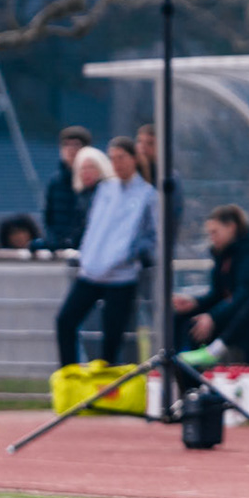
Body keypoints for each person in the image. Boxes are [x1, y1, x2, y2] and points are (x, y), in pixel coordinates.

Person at [53, 144, 154, 367]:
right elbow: (92, 226)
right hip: (91, 270)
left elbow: (151, 234)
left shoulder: (147, 194)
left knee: (113, 336)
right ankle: (69, 373)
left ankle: (107, 386)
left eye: (121, 158)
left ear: (134, 159)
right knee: (65, 320)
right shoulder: (104, 189)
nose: (116, 163)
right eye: (113, 159)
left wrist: (130, 254)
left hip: (121, 275)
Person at [175, 205, 249, 368]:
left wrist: (213, 317)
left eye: (215, 232)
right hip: (230, 312)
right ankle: (178, 368)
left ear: (231, 227)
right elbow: (217, 293)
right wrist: (195, 303)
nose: (211, 238)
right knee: (183, 318)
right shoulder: (222, 254)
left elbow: (244, 295)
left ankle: (202, 366)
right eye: (209, 233)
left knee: (203, 325)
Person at [41, 126, 93, 250]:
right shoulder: (55, 182)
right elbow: (48, 217)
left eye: (76, 145)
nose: (71, 150)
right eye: (66, 145)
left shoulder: (94, 183)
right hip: (58, 248)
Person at [136, 123, 183, 237]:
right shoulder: (133, 175)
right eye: (140, 142)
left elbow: (172, 216)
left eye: (150, 143)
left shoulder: (168, 177)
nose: (143, 148)